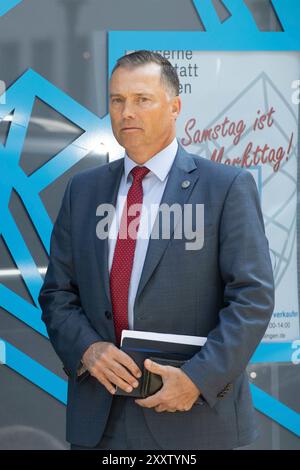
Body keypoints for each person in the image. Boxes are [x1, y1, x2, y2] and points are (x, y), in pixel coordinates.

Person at [38, 50, 274, 450]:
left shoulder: (226, 187)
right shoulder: (83, 191)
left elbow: (251, 299)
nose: (127, 111)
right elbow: (58, 293)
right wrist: (87, 349)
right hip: (101, 421)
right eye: (117, 100)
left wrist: (197, 380)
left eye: (142, 99)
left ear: (175, 106)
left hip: (192, 419)